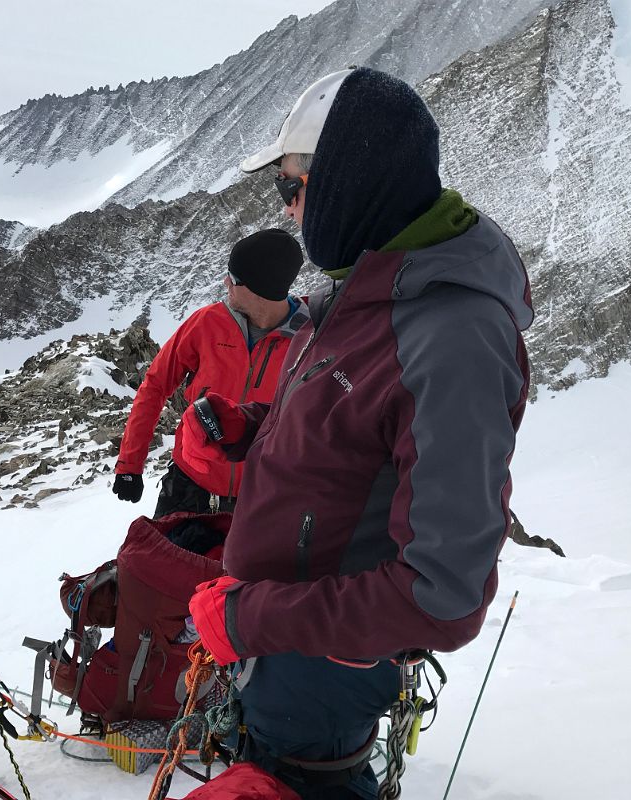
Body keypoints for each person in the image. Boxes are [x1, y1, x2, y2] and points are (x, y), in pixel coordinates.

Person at [186, 67, 534, 799]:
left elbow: (441, 594)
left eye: (291, 185)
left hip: (319, 687)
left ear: (346, 179)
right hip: (281, 664)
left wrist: (250, 619)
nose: (287, 209)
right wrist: (254, 433)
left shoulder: (453, 335)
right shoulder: (366, 283)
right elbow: (356, 438)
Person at [112, 229, 308, 517]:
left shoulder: (309, 339)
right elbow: (154, 386)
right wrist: (130, 464)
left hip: (260, 500)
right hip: (188, 484)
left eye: (234, 278)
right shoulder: (206, 323)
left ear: (259, 289)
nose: (226, 282)